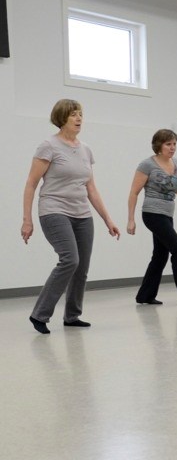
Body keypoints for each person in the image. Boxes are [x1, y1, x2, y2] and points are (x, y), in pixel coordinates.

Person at [22, 99, 120, 334]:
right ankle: (40, 314)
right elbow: (31, 184)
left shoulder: (85, 149)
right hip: (54, 210)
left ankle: (72, 316)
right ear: (61, 118)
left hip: (82, 214)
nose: (78, 119)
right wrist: (27, 219)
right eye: (73, 115)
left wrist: (107, 219)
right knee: (70, 259)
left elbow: (91, 189)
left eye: (80, 115)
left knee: (82, 267)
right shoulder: (49, 146)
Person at [127, 129, 177, 306]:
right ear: (159, 146)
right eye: (168, 144)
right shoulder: (147, 165)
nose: (172, 148)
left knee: (160, 256)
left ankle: (145, 295)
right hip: (152, 214)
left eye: (174, 144)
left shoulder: (176, 163)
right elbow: (134, 192)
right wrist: (131, 220)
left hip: (167, 214)